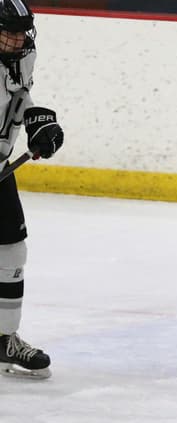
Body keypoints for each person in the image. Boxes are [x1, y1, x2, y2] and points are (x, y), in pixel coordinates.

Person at [0, 0, 63, 380]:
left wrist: (37, 122)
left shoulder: (25, 54)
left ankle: (4, 338)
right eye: (11, 30)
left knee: (12, 250)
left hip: (1, 169)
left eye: (24, 30)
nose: (19, 38)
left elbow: (18, 97)